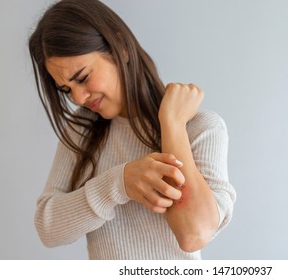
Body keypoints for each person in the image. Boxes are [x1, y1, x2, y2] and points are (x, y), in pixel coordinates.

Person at [29, 0, 236, 260]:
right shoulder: (81, 133)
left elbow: (193, 234)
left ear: (122, 49)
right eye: (66, 89)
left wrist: (171, 124)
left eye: (82, 78)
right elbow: (48, 229)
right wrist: (120, 183)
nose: (79, 98)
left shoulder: (199, 127)